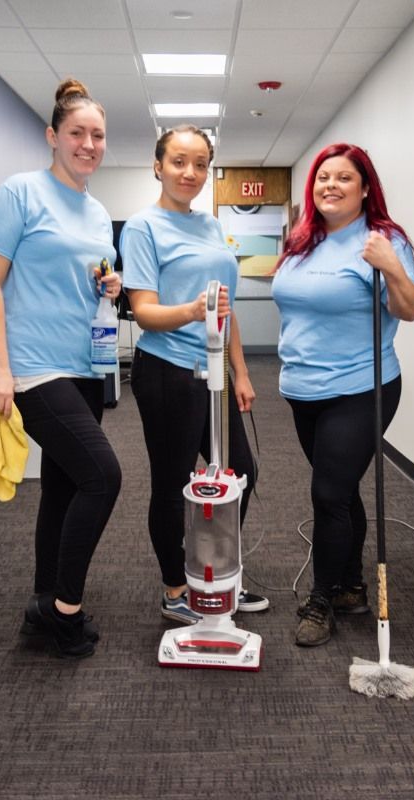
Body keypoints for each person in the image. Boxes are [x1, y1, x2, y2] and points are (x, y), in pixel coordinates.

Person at [0, 78, 122, 659]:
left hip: (85, 364)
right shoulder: (21, 192)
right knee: (103, 477)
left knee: (63, 487)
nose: (89, 144)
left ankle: (42, 604)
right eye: (77, 133)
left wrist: (109, 282)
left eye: (98, 135)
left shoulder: (97, 209)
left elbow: (88, 276)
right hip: (34, 368)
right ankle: (65, 610)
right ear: (53, 136)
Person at [271, 143, 414, 647]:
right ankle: (353, 585)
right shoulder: (301, 239)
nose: (330, 186)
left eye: (343, 178)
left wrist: (392, 267)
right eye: (322, 178)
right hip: (302, 387)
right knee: (341, 489)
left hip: (361, 386)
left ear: (364, 189)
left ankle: (321, 599)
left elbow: (409, 309)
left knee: (328, 493)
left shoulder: (381, 240)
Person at [120, 124, 270, 624]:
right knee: (173, 483)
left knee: (240, 473)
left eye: (201, 163)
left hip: (214, 374)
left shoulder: (209, 226)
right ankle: (175, 588)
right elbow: (144, 312)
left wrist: (241, 371)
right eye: (179, 161)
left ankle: (219, 574)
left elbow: (225, 309)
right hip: (166, 373)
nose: (190, 172)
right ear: (158, 165)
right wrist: (192, 309)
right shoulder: (143, 227)